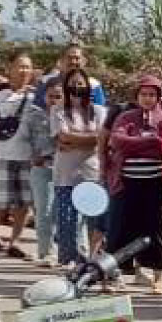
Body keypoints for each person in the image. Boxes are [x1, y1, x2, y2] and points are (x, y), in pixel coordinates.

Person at [106, 75, 162, 291]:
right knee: (121, 228)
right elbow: (117, 141)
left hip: (154, 183)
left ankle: (158, 277)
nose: (147, 98)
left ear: (158, 97)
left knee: (155, 229)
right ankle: (114, 275)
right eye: (143, 94)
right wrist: (149, 141)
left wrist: (136, 144)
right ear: (137, 96)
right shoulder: (125, 117)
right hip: (126, 182)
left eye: (152, 94)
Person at [0, 51, 42, 258]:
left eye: (28, 66)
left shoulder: (36, 95)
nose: (24, 70)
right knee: (0, 200)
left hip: (28, 155)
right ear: (10, 68)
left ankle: (14, 241)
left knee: (24, 203)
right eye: (20, 65)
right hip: (1, 153)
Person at [49, 67, 107, 266]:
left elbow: (102, 139)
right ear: (66, 86)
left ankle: (95, 262)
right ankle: (69, 264)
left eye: (80, 83)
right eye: (72, 84)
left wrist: (76, 140)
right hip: (66, 175)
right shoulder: (57, 110)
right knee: (67, 223)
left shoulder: (99, 111)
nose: (76, 87)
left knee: (96, 224)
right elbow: (62, 137)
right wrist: (90, 140)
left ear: (87, 87)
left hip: (92, 175)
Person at [25, 79, 58, 266]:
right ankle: (45, 252)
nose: (54, 100)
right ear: (44, 96)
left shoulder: (71, 115)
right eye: (51, 96)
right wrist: (32, 155)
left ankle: (69, 253)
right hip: (41, 167)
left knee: (62, 213)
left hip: (65, 167)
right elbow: (23, 138)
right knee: (43, 211)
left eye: (58, 96)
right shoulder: (33, 115)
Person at [34, 43, 106, 110]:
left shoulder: (94, 85)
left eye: (77, 58)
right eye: (69, 58)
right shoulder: (45, 82)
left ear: (84, 62)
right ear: (61, 61)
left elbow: (100, 114)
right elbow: (37, 110)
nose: (73, 61)